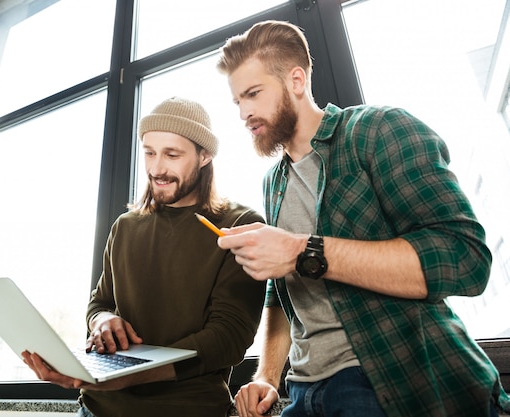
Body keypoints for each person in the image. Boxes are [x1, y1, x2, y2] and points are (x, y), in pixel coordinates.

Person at [215, 20, 510, 417]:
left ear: (296, 80)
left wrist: (304, 250)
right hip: (301, 392)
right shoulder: (274, 183)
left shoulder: (377, 130)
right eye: (237, 102)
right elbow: (282, 296)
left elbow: (464, 258)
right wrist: (267, 375)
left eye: (253, 94)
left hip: (387, 380)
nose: (244, 112)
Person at [22, 96, 266, 417]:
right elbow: (99, 303)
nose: (157, 168)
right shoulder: (125, 226)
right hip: (96, 409)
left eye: (172, 154)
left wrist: (122, 377)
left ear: (204, 156)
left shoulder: (240, 225)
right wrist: (103, 320)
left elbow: (228, 338)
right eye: (149, 153)